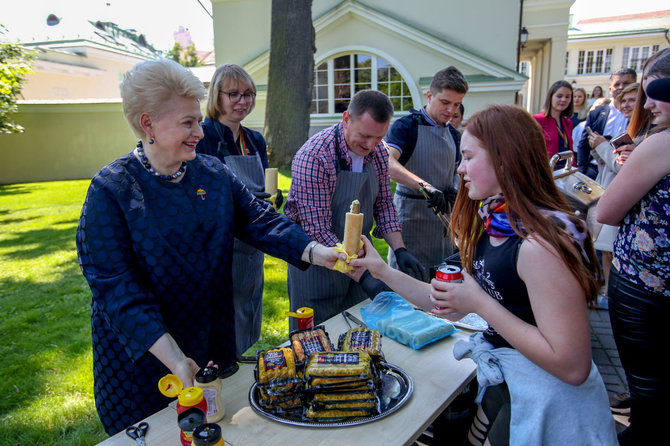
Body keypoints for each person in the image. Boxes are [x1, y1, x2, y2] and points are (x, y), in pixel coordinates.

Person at [76, 59, 344, 435]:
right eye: (188, 122)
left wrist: (316, 251)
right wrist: (175, 360)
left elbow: (259, 220)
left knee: (214, 432)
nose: (200, 132)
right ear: (147, 123)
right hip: (144, 357)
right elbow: (116, 287)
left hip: (206, 337)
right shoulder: (112, 190)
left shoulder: (212, 173)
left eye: (198, 120)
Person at [351, 104, 616, 445]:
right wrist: (381, 269)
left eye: (469, 157)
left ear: (505, 160)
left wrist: (481, 303)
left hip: (552, 404)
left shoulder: (540, 246)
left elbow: (572, 366)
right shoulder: (495, 225)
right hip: (511, 386)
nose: (459, 168)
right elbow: (446, 303)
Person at [284, 89, 423, 330]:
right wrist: (365, 275)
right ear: (347, 119)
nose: (371, 144)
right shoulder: (315, 157)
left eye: (379, 137)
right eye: (365, 135)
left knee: (358, 337)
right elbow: (316, 230)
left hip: (358, 262)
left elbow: (384, 205)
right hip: (316, 269)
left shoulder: (379, 152)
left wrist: (400, 249)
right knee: (317, 345)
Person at [596, 53, 670, 445]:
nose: (649, 102)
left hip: (644, 286)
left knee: (647, 383)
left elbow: (608, 209)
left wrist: (630, 170)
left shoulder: (661, 144)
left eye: (656, 90)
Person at [196, 64, 280, 358]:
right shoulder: (202, 137)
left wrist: (272, 198)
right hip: (218, 244)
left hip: (251, 245)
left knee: (247, 306)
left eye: (248, 94)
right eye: (233, 94)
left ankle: (239, 358)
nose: (242, 101)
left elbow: (262, 183)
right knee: (219, 315)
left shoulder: (255, 139)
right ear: (216, 96)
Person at [385, 66, 468, 272]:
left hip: (443, 223)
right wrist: (424, 186)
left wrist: (455, 191)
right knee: (408, 284)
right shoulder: (406, 127)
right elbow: (387, 163)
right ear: (429, 95)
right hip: (411, 220)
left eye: (457, 104)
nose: (451, 110)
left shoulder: (454, 135)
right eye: (445, 102)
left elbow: (458, 171)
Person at [588, 83, 639, 310]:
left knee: (611, 251)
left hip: (622, 196)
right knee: (606, 251)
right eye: (624, 100)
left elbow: (625, 167)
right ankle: (609, 294)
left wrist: (602, 147)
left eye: (632, 100)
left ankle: (611, 296)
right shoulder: (625, 124)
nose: (627, 105)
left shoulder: (642, 130)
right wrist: (598, 149)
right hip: (609, 188)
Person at [577, 68, 637, 179]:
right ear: (610, 89)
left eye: (626, 83)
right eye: (617, 84)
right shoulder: (596, 113)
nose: (621, 87)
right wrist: (582, 171)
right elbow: (584, 144)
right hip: (595, 170)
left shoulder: (640, 116)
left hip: (624, 173)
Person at [533, 80, 574, 169]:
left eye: (567, 97)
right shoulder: (538, 120)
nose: (563, 99)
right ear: (551, 97)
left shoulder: (568, 123)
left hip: (565, 171)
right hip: (546, 172)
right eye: (559, 96)